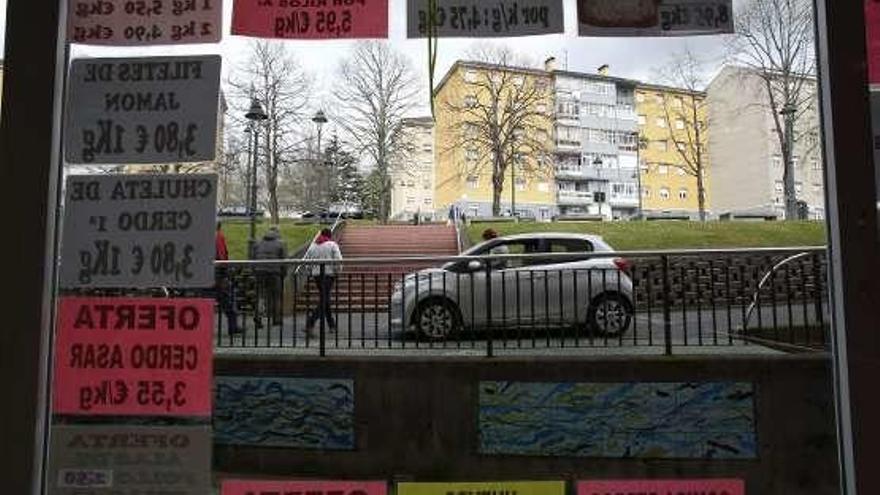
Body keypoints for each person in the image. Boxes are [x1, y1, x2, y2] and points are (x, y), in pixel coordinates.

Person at [303, 228, 343, 336]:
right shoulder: (332, 245)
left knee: (325, 298)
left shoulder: (313, 246)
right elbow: (338, 259)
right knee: (324, 300)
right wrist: (338, 271)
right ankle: (310, 322)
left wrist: (310, 271)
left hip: (317, 275)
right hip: (328, 275)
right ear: (330, 236)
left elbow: (307, 262)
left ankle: (331, 325)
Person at [253, 225, 287, 327]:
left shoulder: (258, 243)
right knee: (276, 296)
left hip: (260, 271)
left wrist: (254, 270)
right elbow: (284, 260)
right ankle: (276, 319)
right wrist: (283, 273)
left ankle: (258, 316)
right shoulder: (280, 244)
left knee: (261, 295)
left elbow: (253, 258)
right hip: (274, 272)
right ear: (277, 233)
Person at [215, 222, 241, 335]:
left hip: (206, 274)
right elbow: (222, 256)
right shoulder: (218, 237)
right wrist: (224, 274)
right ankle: (233, 326)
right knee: (228, 302)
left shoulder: (203, 236)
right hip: (218, 275)